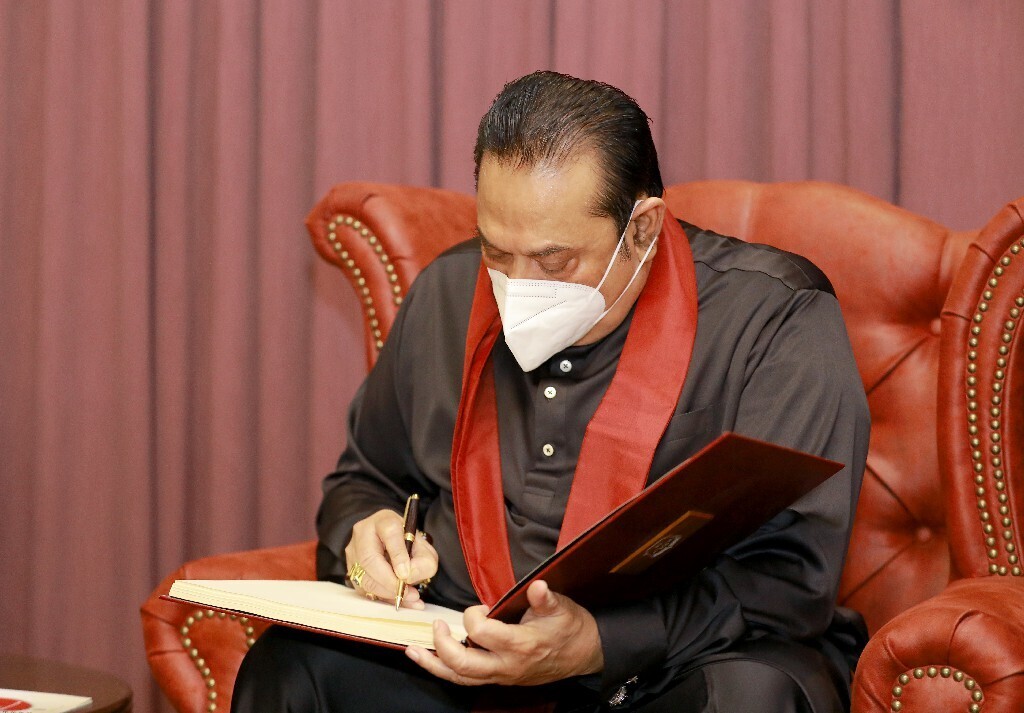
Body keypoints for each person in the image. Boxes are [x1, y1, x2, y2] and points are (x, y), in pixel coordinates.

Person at [232, 70, 870, 712]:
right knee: (292, 668)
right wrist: (367, 536)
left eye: (553, 261)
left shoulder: (774, 321)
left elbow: (791, 576)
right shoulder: (447, 293)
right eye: (496, 252)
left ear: (642, 228)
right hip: (462, 647)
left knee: (751, 695)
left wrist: (599, 643)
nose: (517, 287)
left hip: (666, 664)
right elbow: (364, 480)